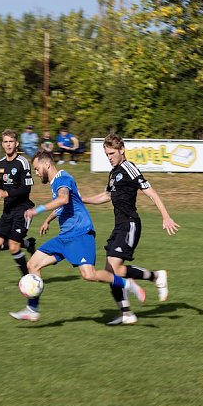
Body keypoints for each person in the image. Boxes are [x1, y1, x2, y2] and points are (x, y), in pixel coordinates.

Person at [10, 149, 146, 322]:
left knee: (89, 275)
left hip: (80, 234)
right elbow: (63, 206)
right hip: (65, 236)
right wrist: (49, 220)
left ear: (47, 164)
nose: (36, 173)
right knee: (33, 264)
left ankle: (128, 284)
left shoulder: (62, 178)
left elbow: (64, 199)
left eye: (37, 169)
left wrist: (37, 210)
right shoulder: (55, 183)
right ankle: (32, 309)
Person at [82, 133, 180, 325]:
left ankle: (155, 276)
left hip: (130, 225)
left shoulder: (129, 168)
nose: (109, 157)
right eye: (106, 154)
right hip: (119, 226)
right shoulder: (113, 172)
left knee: (115, 270)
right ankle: (126, 313)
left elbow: (151, 192)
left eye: (111, 153)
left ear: (121, 150)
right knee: (110, 273)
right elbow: (106, 196)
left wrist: (165, 216)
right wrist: (83, 199)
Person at [0, 129, 37, 278]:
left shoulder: (23, 162)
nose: (8, 145)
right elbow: (2, 182)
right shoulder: (1, 163)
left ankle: (27, 278)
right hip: (7, 211)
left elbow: (26, 188)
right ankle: (27, 244)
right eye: (5, 142)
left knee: (14, 247)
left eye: (11, 142)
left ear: (17, 143)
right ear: (2, 144)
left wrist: (7, 193)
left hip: (23, 210)